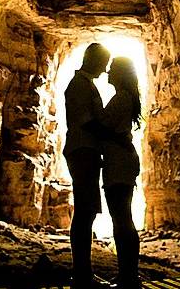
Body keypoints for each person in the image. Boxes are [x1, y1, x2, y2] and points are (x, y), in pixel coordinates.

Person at [85, 57, 142, 289]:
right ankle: (128, 275)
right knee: (122, 219)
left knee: (122, 220)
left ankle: (129, 277)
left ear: (120, 74)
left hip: (118, 162)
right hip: (120, 160)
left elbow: (104, 127)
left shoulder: (121, 99)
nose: (107, 72)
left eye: (112, 70)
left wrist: (87, 119)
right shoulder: (125, 98)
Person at [63, 43, 112, 288]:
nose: (105, 71)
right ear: (93, 60)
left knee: (86, 211)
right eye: (103, 64)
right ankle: (82, 275)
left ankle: (83, 273)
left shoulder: (83, 84)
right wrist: (112, 133)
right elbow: (86, 121)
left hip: (84, 150)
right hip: (83, 150)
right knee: (85, 211)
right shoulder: (81, 86)